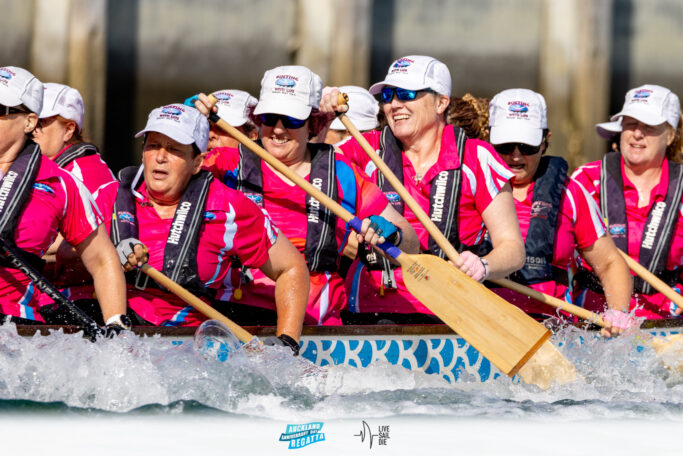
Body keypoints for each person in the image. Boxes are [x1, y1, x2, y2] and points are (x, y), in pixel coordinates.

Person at [193, 65, 418, 326]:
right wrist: (193, 125)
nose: (278, 130)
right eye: (269, 118)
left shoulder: (342, 174)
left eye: (291, 120)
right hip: (238, 316)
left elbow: (411, 242)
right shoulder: (224, 164)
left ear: (313, 124)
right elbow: (154, 183)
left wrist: (392, 233)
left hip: (315, 324)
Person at [85, 102, 309, 350]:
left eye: (173, 150)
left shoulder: (230, 207)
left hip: (188, 350)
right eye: (153, 146)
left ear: (198, 162)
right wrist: (106, 252)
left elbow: (291, 268)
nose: (160, 157)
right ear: (142, 152)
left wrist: (287, 341)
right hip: (117, 335)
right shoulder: (108, 197)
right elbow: (63, 257)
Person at [320, 55, 525, 323]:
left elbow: (513, 250)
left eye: (406, 94)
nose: (394, 104)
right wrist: (320, 120)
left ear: (441, 102)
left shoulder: (478, 158)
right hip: (368, 310)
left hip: (450, 313)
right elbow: (304, 166)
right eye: (389, 95)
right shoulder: (363, 149)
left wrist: (484, 265)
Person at [479, 89, 633, 336]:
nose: (516, 155)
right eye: (506, 145)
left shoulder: (572, 193)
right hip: (478, 321)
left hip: (550, 326)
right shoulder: (467, 184)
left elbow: (609, 262)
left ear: (545, 141)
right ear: (489, 139)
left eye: (527, 145)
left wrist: (617, 312)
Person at [0, 66, 128, 332]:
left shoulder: (63, 185)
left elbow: (103, 260)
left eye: (0, 109)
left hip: (16, 327)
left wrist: (116, 324)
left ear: (29, 122)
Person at [572, 84, 683, 320]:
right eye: (631, 124)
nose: (637, 133)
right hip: (596, 317)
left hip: (665, 320)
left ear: (670, 135)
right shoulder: (586, 180)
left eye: (649, 126)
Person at [32, 82, 118, 284]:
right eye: (29, 118)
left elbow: (77, 243)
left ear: (69, 130)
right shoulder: (40, 164)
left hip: (74, 292)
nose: (30, 128)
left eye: (41, 122)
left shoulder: (83, 174)